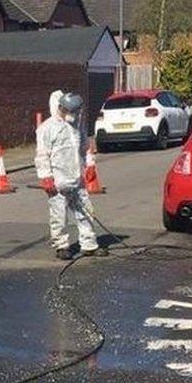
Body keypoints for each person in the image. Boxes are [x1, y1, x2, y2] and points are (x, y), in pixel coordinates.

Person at [35, 91, 108, 261]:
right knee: (59, 216)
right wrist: (45, 176)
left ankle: (89, 244)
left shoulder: (77, 124)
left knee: (86, 212)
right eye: (71, 112)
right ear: (61, 108)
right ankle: (61, 246)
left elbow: (85, 144)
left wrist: (90, 163)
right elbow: (42, 154)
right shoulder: (47, 128)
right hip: (58, 180)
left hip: (77, 178)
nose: (74, 115)